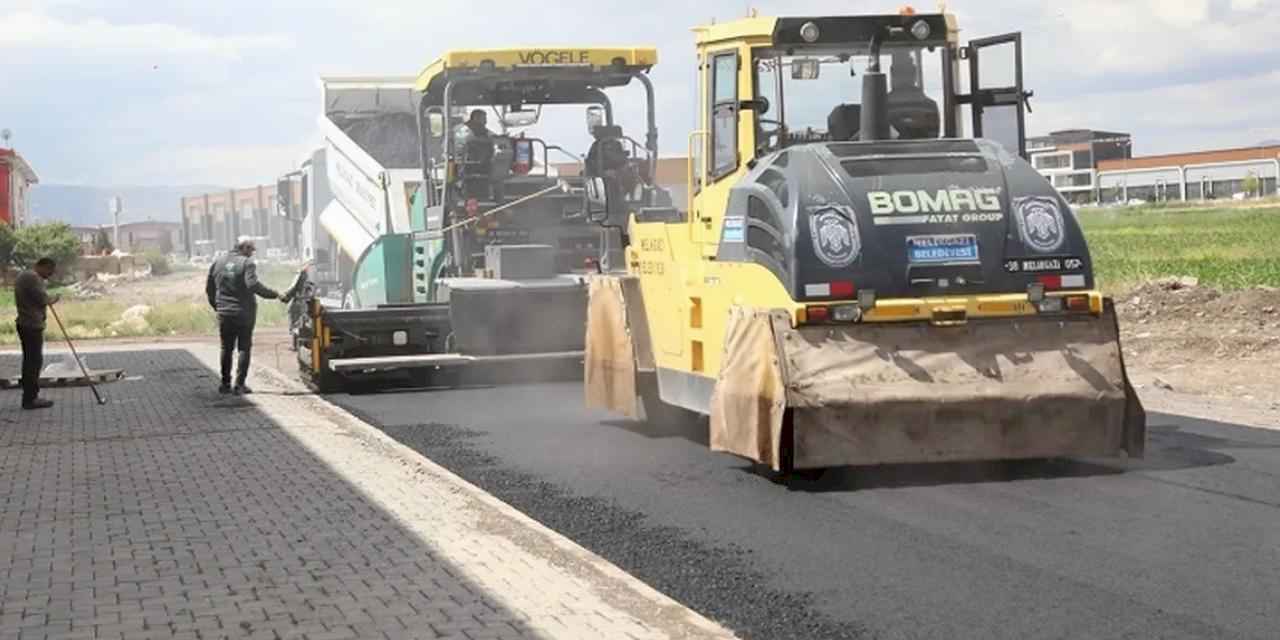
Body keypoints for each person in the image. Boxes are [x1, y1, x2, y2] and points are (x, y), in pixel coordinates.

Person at [206, 239, 280, 394]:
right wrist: (274, 294)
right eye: (251, 249)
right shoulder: (247, 263)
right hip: (243, 313)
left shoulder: (218, 262)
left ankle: (225, 384)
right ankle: (239, 385)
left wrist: (217, 306)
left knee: (226, 348)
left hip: (224, 312)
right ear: (244, 248)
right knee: (244, 348)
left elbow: (209, 288)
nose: (252, 253)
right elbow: (252, 285)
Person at [14, 257, 60, 410]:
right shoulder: (32, 277)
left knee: (30, 361)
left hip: (26, 323)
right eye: (49, 272)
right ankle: (30, 398)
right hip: (31, 324)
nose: (49, 275)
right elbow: (42, 299)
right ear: (43, 266)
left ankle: (30, 396)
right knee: (33, 362)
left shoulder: (25, 276)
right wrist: (53, 299)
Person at [280, 262, 315, 352]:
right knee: (302, 323)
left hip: (297, 302)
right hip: (304, 303)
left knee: (295, 323)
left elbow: (293, 288)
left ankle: (295, 345)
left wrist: (284, 296)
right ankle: (301, 345)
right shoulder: (310, 277)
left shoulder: (300, 275)